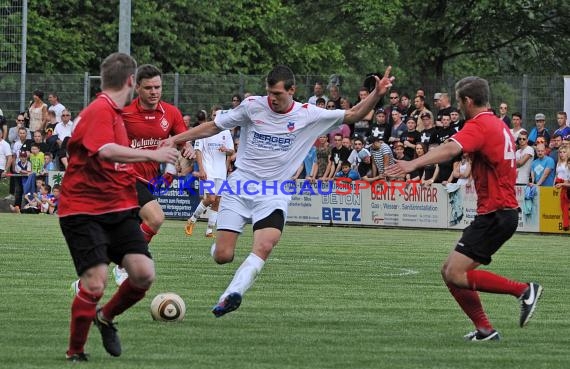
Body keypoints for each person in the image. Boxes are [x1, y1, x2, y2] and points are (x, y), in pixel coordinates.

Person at [162, 64, 394, 317]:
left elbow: (352, 115)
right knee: (223, 256)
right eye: (269, 92)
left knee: (265, 245)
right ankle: (218, 250)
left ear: (292, 90)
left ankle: (231, 294)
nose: (272, 98)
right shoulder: (252, 106)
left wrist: (377, 94)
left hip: (273, 192)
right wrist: (176, 139)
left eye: (278, 94)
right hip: (240, 186)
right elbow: (214, 126)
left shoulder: (308, 115)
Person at [386, 76, 542, 341]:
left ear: (468, 101)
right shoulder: (498, 125)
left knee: (455, 273)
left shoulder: (480, 124)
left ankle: (523, 291)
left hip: (496, 212)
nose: (459, 107)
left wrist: (413, 165)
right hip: (498, 212)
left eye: (459, 102)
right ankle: (485, 330)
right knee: (450, 271)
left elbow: (449, 149)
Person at [58, 52, 179, 362]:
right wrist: (153, 156)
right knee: (95, 282)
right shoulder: (101, 109)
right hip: (84, 210)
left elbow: (114, 159)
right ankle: (76, 352)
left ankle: (105, 317)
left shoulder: (113, 112)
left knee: (143, 273)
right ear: (130, 82)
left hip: (116, 207)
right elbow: (106, 150)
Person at [111, 64, 190, 285]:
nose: (154, 92)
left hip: (150, 180)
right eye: (148, 88)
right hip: (124, 176)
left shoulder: (171, 113)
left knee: (127, 234)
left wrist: (189, 149)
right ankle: (124, 265)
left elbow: (184, 140)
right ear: (137, 88)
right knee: (156, 217)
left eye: (157, 87)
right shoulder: (124, 112)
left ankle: (84, 282)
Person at [185, 105, 234, 237]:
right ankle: (192, 219)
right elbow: (198, 150)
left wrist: (226, 150)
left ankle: (209, 230)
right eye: (214, 115)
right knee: (211, 198)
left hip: (221, 171)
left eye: (219, 115)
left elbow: (232, 151)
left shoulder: (226, 132)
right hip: (208, 170)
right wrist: (201, 169)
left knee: (217, 200)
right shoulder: (205, 130)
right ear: (211, 117)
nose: (216, 118)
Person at [553, 145, 570, 230]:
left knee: (565, 206)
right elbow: (556, 175)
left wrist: (562, 184)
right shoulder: (558, 163)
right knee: (563, 206)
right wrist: (555, 184)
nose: (561, 154)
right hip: (561, 185)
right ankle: (566, 225)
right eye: (560, 152)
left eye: (564, 152)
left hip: (566, 186)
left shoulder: (568, 164)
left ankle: (566, 225)